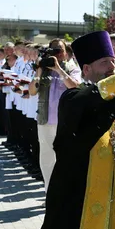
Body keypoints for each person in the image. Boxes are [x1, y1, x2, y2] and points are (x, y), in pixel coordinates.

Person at [32, 31, 115, 229]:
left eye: (113, 62)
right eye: (104, 62)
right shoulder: (73, 98)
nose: (111, 67)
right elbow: (89, 102)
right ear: (86, 69)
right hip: (81, 197)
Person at [28, 38, 81, 194]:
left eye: (60, 50)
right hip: (44, 120)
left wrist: (58, 69)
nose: (56, 54)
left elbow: (75, 86)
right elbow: (32, 91)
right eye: (53, 51)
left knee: (64, 159)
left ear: (66, 52)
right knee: (46, 159)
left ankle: (64, 193)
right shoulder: (44, 71)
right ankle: (49, 193)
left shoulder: (72, 68)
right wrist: (39, 70)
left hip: (64, 121)